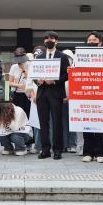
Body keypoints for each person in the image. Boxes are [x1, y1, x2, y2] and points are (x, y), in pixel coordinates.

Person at [34, 31, 70, 160]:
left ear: (56, 41)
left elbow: (67, 74)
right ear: (44, 41)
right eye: (47, 38)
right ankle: (45, 149)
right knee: (43, 123)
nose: (49, 40)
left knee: (57, 122)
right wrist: (38, 81)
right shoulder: (39, 57)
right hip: (42, 92)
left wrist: (54, 80)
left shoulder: (63, 56)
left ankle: (57, 149)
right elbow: (34, 74)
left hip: (56, 92)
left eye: (52, 38)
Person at [81, 31, 103, 163]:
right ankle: (88, 152)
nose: (91, 42)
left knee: (99, 124)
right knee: (87, 124)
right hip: (85, 94)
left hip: (101, 95)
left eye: (94, 40)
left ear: (100, 43)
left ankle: (100, 153)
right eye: (89, 40)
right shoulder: (80, 58)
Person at [62, 49, 78, 153]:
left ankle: (73, 144)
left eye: (69, 58)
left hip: (73, 101)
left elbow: (78, 86)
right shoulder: (60, 71)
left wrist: (70, 97)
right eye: (65, 58)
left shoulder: (76, 71)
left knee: (73, 124)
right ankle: (64, 145)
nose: (67, 60)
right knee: (62, 124)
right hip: (61, 100)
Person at [8, 47, 31, 115]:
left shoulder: (30, 65)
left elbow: (31, 79)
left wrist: (23, 69)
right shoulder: (14, 67)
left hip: (29, 94)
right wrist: (19, 85)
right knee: (18, 114)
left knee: (28, 113)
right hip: (18, 94)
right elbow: (10, 82)